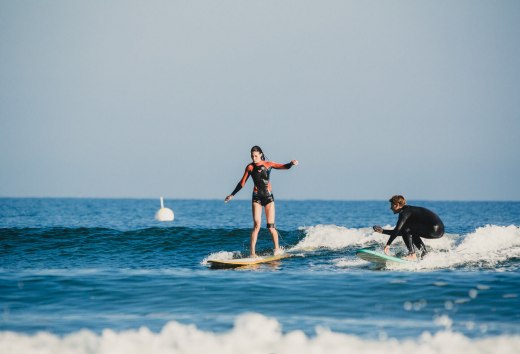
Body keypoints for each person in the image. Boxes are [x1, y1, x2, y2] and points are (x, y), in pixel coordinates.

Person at [225, 146, 298, 257]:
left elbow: (284, 166)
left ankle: (277, 249)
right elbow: (242, 182)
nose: (253, 158)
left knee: (271, 226)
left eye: (255, 156)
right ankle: (252, 253)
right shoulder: (250, 167)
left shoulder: (268, 164)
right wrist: (232, 194)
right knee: (256, 225)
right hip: (257, 198)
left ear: (260, 154)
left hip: (268, 198)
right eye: (252, 156)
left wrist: (291, 164)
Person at [373, 195, 444, 260]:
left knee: (406, 228)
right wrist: (382, 231)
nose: (390, 208)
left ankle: (412, 254)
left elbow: (398, 230)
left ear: (397, 205)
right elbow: (403, 233)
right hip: (440, 231)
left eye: (392, 205)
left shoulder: (404, 212)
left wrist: (388, 244)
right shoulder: (409, 211)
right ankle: (424, 254)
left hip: (433, 228)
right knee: (411, 231)